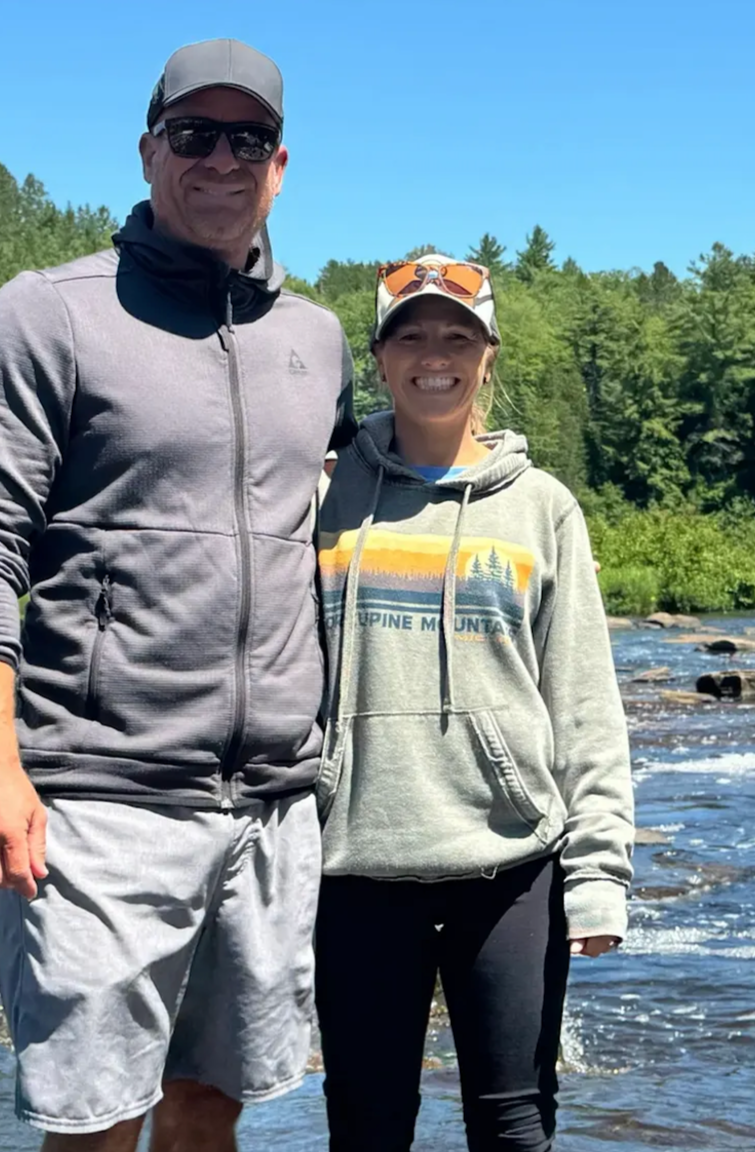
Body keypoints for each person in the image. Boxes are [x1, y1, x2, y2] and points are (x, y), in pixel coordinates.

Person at [0, 38, 355, 1152]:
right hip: (100, 800)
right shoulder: (52, 313)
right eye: (194, 135)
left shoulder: (316, 340)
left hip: (270, 807)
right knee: (95, 1120)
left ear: (280, 164)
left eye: (247, 138)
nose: (221, 158)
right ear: (148, 150)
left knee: (213, 1104)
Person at [313, 254, 634, 1151]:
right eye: (409, 335)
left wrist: (599, 875)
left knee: (515, 1125)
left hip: (512, 864)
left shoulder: (542, 509)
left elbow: (583, 702)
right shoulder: (322, 496)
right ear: (378, 357)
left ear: (488, 354)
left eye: (457, 336)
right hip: (354, 863)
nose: (434, 354)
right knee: (366, 1126)